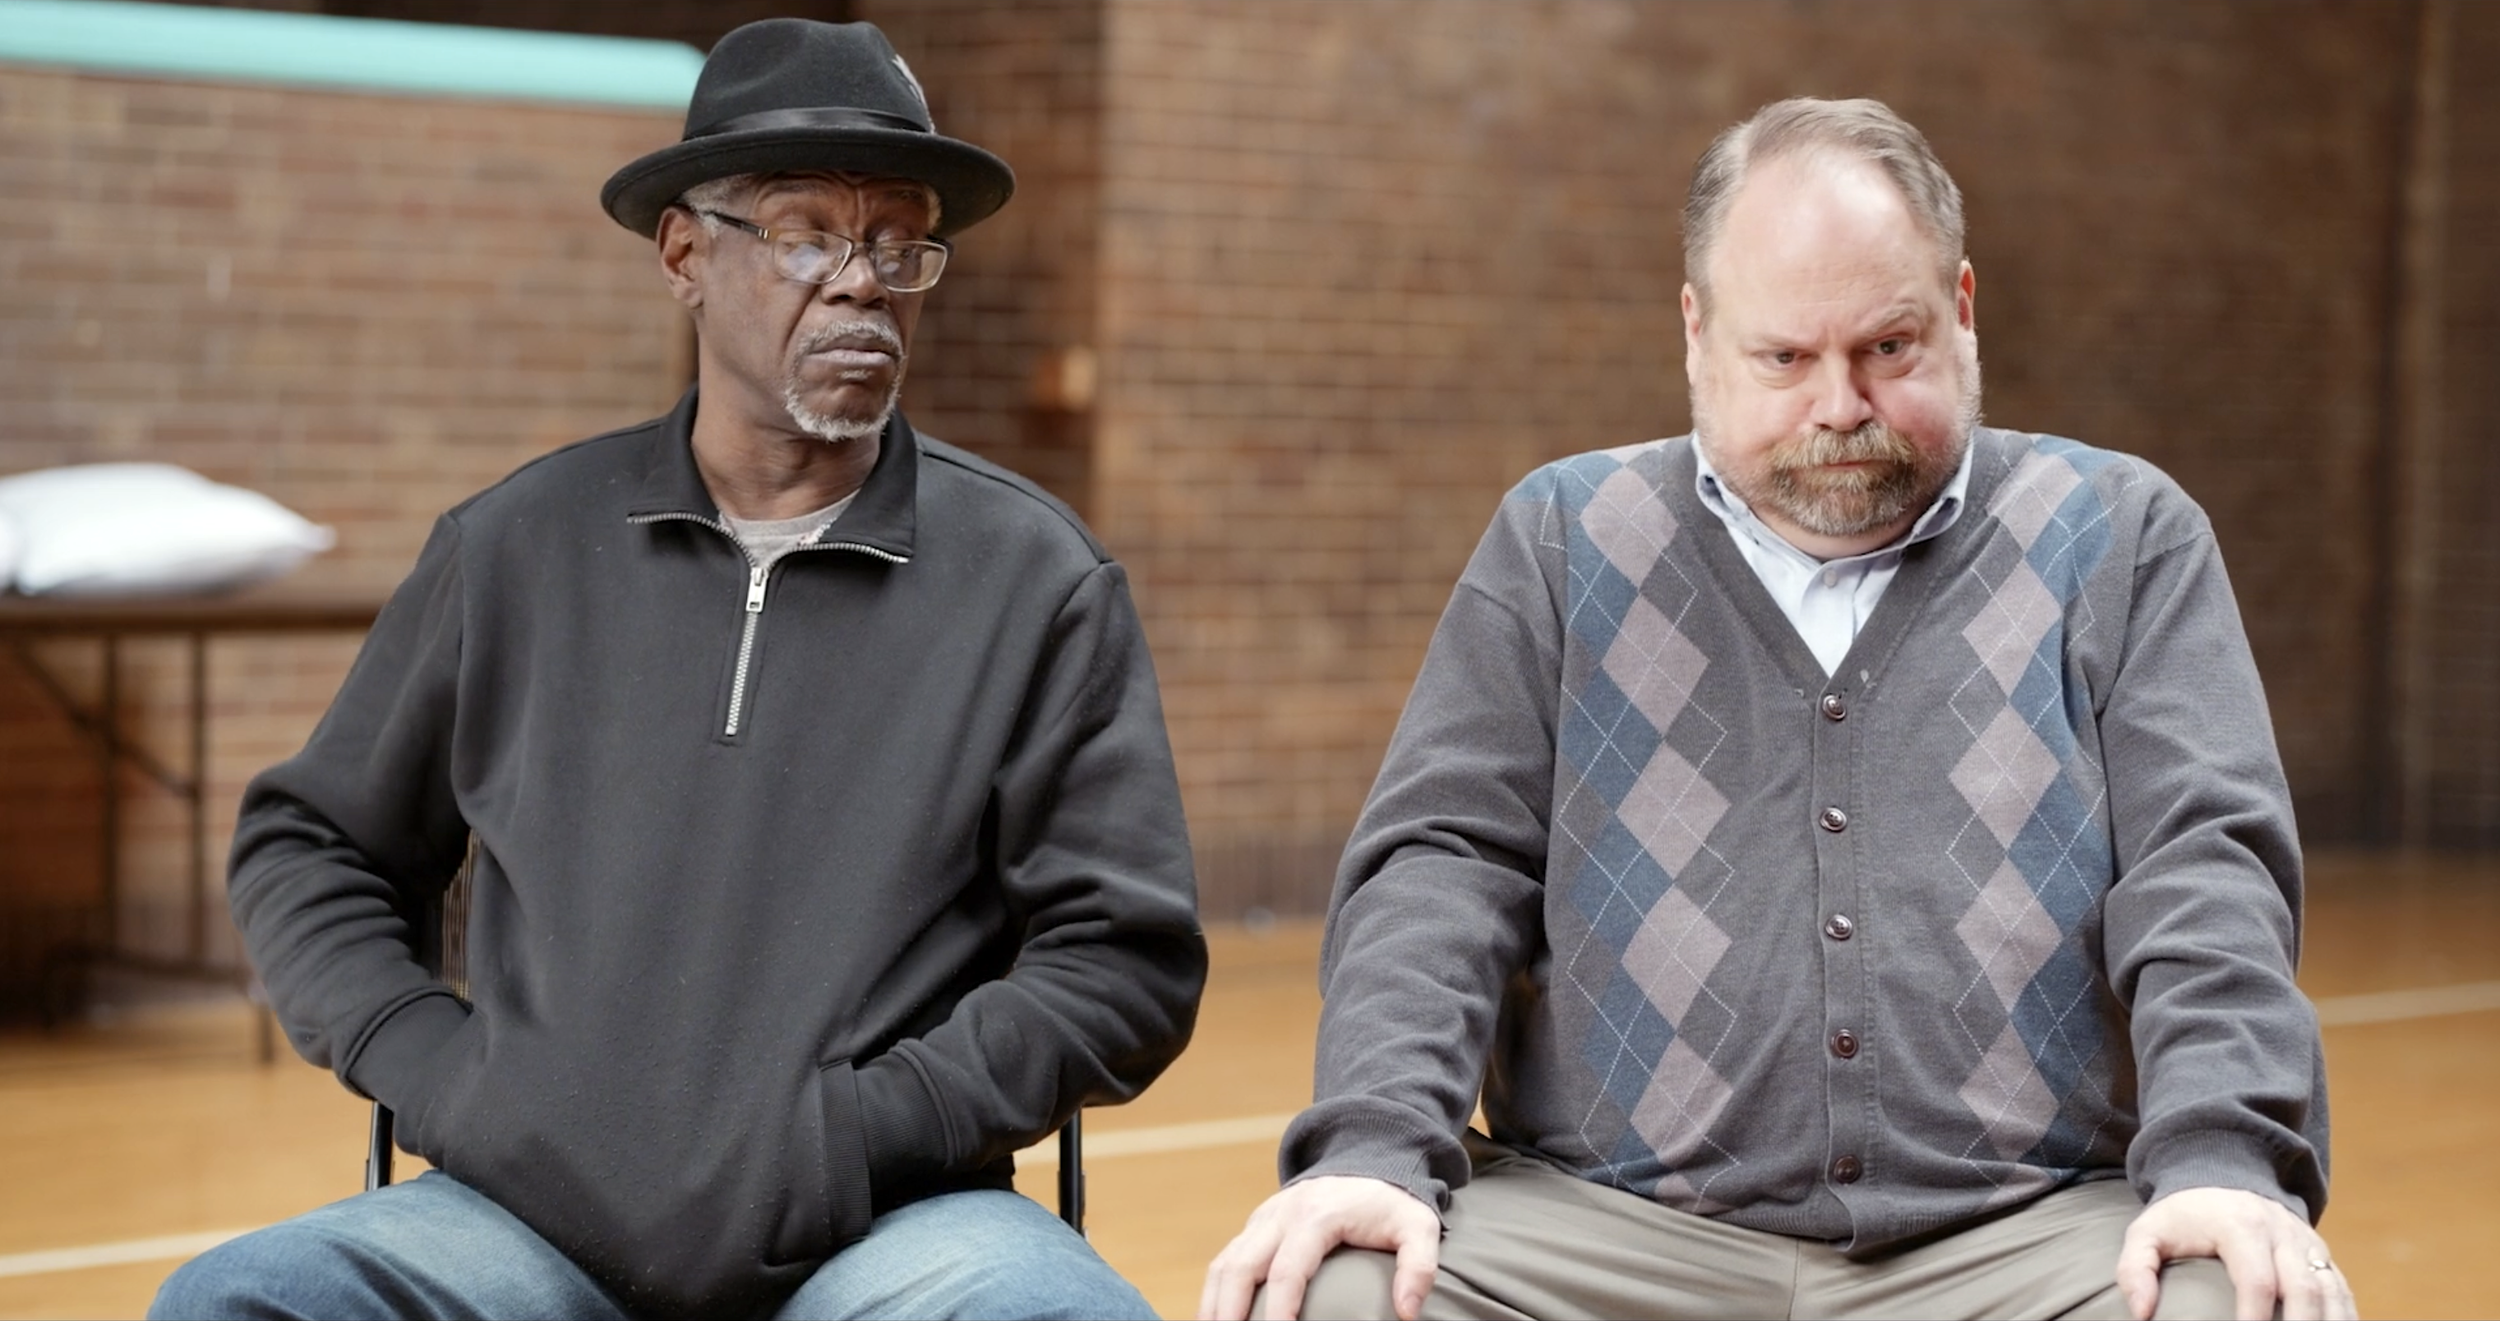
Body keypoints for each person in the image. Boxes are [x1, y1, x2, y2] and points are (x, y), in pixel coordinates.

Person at [1203, 97, 2354, 1321]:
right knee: (1334, 1292)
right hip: (1604, 1227)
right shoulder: (1562, 540)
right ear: (1696, 333)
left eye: (1888, 348)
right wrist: (1372, 1146)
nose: (1840, 405)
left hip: (2028, 1231)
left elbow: (2205, 871)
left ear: (1962, 310)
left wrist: (2222, 1162)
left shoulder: (2119, 536)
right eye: (1784, 359)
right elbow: (1441, 868)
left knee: (2234, 1301)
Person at [152, 19, 1204, 1321]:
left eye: (898, 243)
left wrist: (863, 1132)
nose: (864, 283)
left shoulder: (1035, 582)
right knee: (245, 1300)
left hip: (890, 1224)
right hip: (522, 1222)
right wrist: (446, 1078)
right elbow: (309, 845)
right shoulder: (515, 549)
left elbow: (1123, 960)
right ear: (684, 254)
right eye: (809, 234)